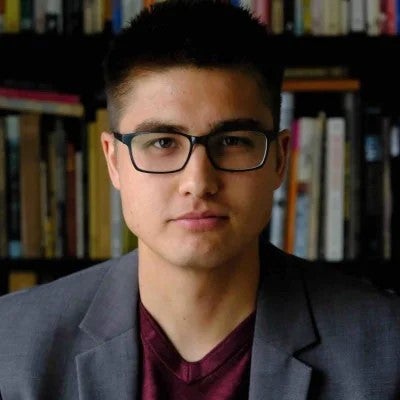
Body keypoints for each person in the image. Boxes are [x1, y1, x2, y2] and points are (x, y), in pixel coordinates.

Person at [0, 1, 400, 399]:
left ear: (279, 159)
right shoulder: (12, 344)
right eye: (162, 142)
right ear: (113, 161)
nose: (198, 181)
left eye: (232, 142)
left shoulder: (386, 346)